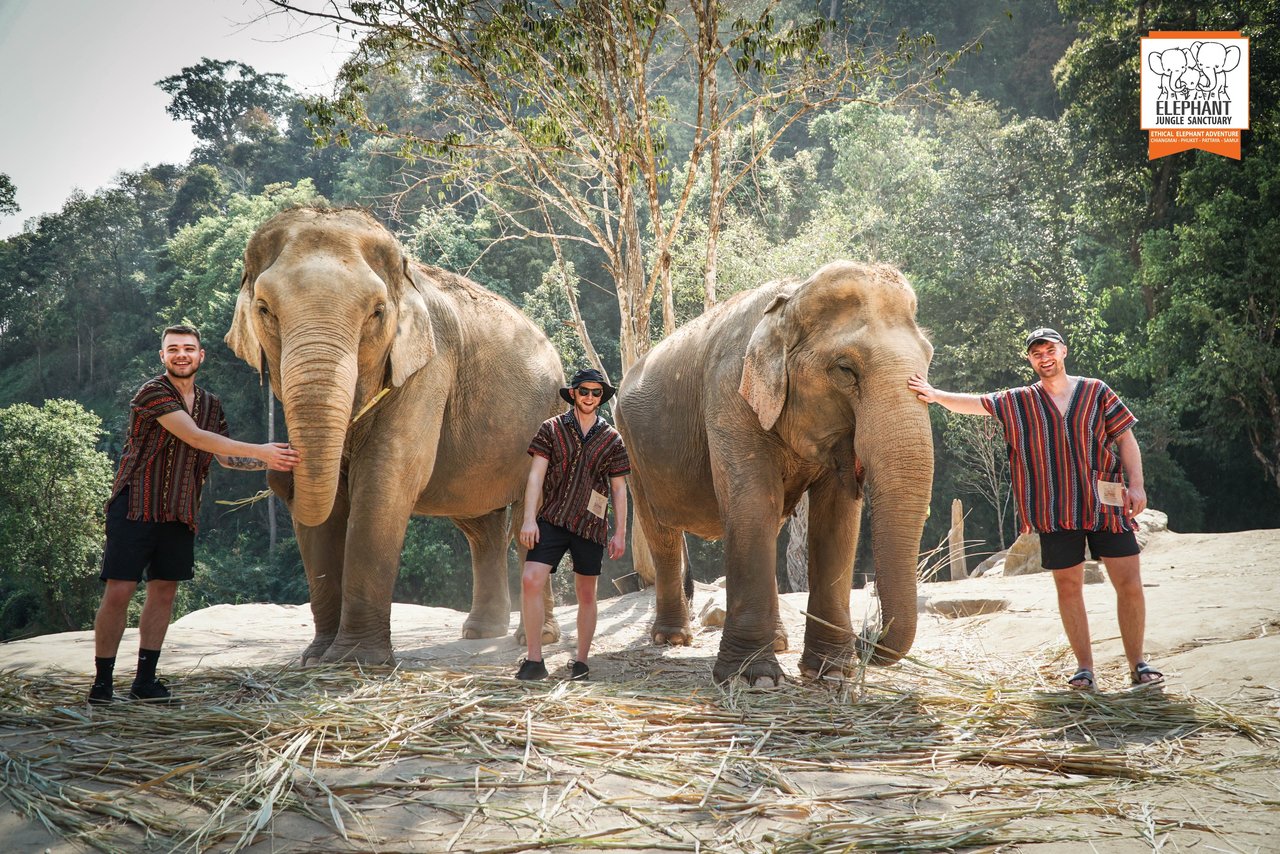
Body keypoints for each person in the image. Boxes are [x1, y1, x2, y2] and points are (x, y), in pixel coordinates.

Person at [907, 327, 1164, 691]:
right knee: (1068, 587)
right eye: (1036, 353)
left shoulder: (1096, 391)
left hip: (1106, 502)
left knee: (1129, 582)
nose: (1044, 357)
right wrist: (934, 395)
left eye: (1050, 350)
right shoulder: (1021, 400)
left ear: (1064, 351)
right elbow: (977, 403)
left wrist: (1136, 484)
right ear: (1030, 360)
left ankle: (1138, 663)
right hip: (1054, 507)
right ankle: (1085, 669)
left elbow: (1125, 437)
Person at [89, 325, 300, 705]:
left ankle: (145, 682)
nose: (181, 355)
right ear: (163, 356)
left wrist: (281, 460)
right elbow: (196, 437)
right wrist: (264, 451)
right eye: (173, 349)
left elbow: (224, 456)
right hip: (135, 505)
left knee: (164, 592)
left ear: (201, 356)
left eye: (189, 349)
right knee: (119, 591)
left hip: (180, 510)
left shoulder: (210, 404)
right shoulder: (152, 393)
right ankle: (102, 685)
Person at [515, 368, 630, 681]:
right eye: (584, 391)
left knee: (587, 594)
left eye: (595, 393)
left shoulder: (612, 439)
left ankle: (581, 662)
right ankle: (534, 660)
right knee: (530, 579)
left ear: (601, 397)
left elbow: (619, 490)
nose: (589, 397)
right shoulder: (551, 429)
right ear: (574, 394)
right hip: (552, 518)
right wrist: (529, 519)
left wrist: (620, 533)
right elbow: (536, 476)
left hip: (590, 526)